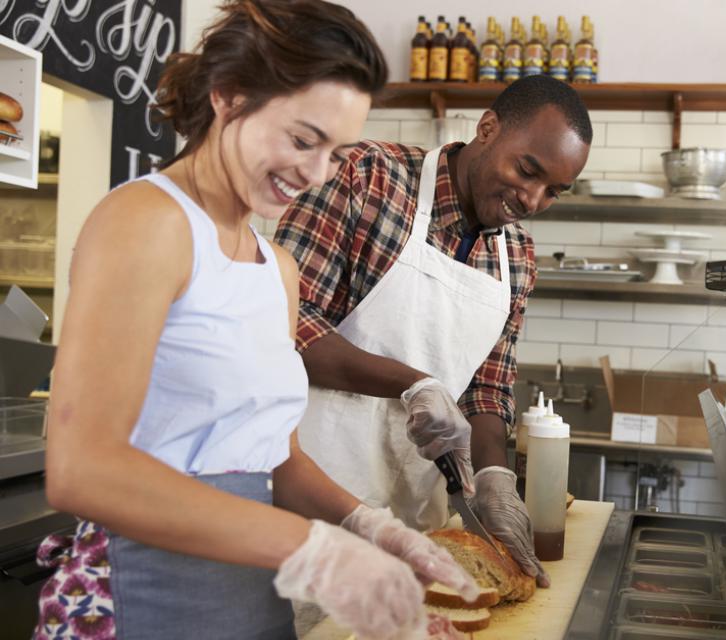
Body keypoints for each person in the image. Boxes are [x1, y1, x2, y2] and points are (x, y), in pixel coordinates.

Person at [34, 2, 476, 639]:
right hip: (141, 600)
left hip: (248, 608)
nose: (317, 173)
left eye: (336, 153)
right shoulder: (147, 223)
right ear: (229, 97)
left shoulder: (279, 268)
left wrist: (372, 529)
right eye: (303, 140)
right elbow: (84, 470)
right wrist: (317, 553)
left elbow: (274, 458)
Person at [275, 74, 593, 588]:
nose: (532, 200)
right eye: (527, 170)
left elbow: (488, 389)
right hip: (309, 500)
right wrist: (413, 382)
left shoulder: (519, 258)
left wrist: (494, 478)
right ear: (488, 128)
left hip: (414, 527)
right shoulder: (368, 177)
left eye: (554, 191)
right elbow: (284, 322)